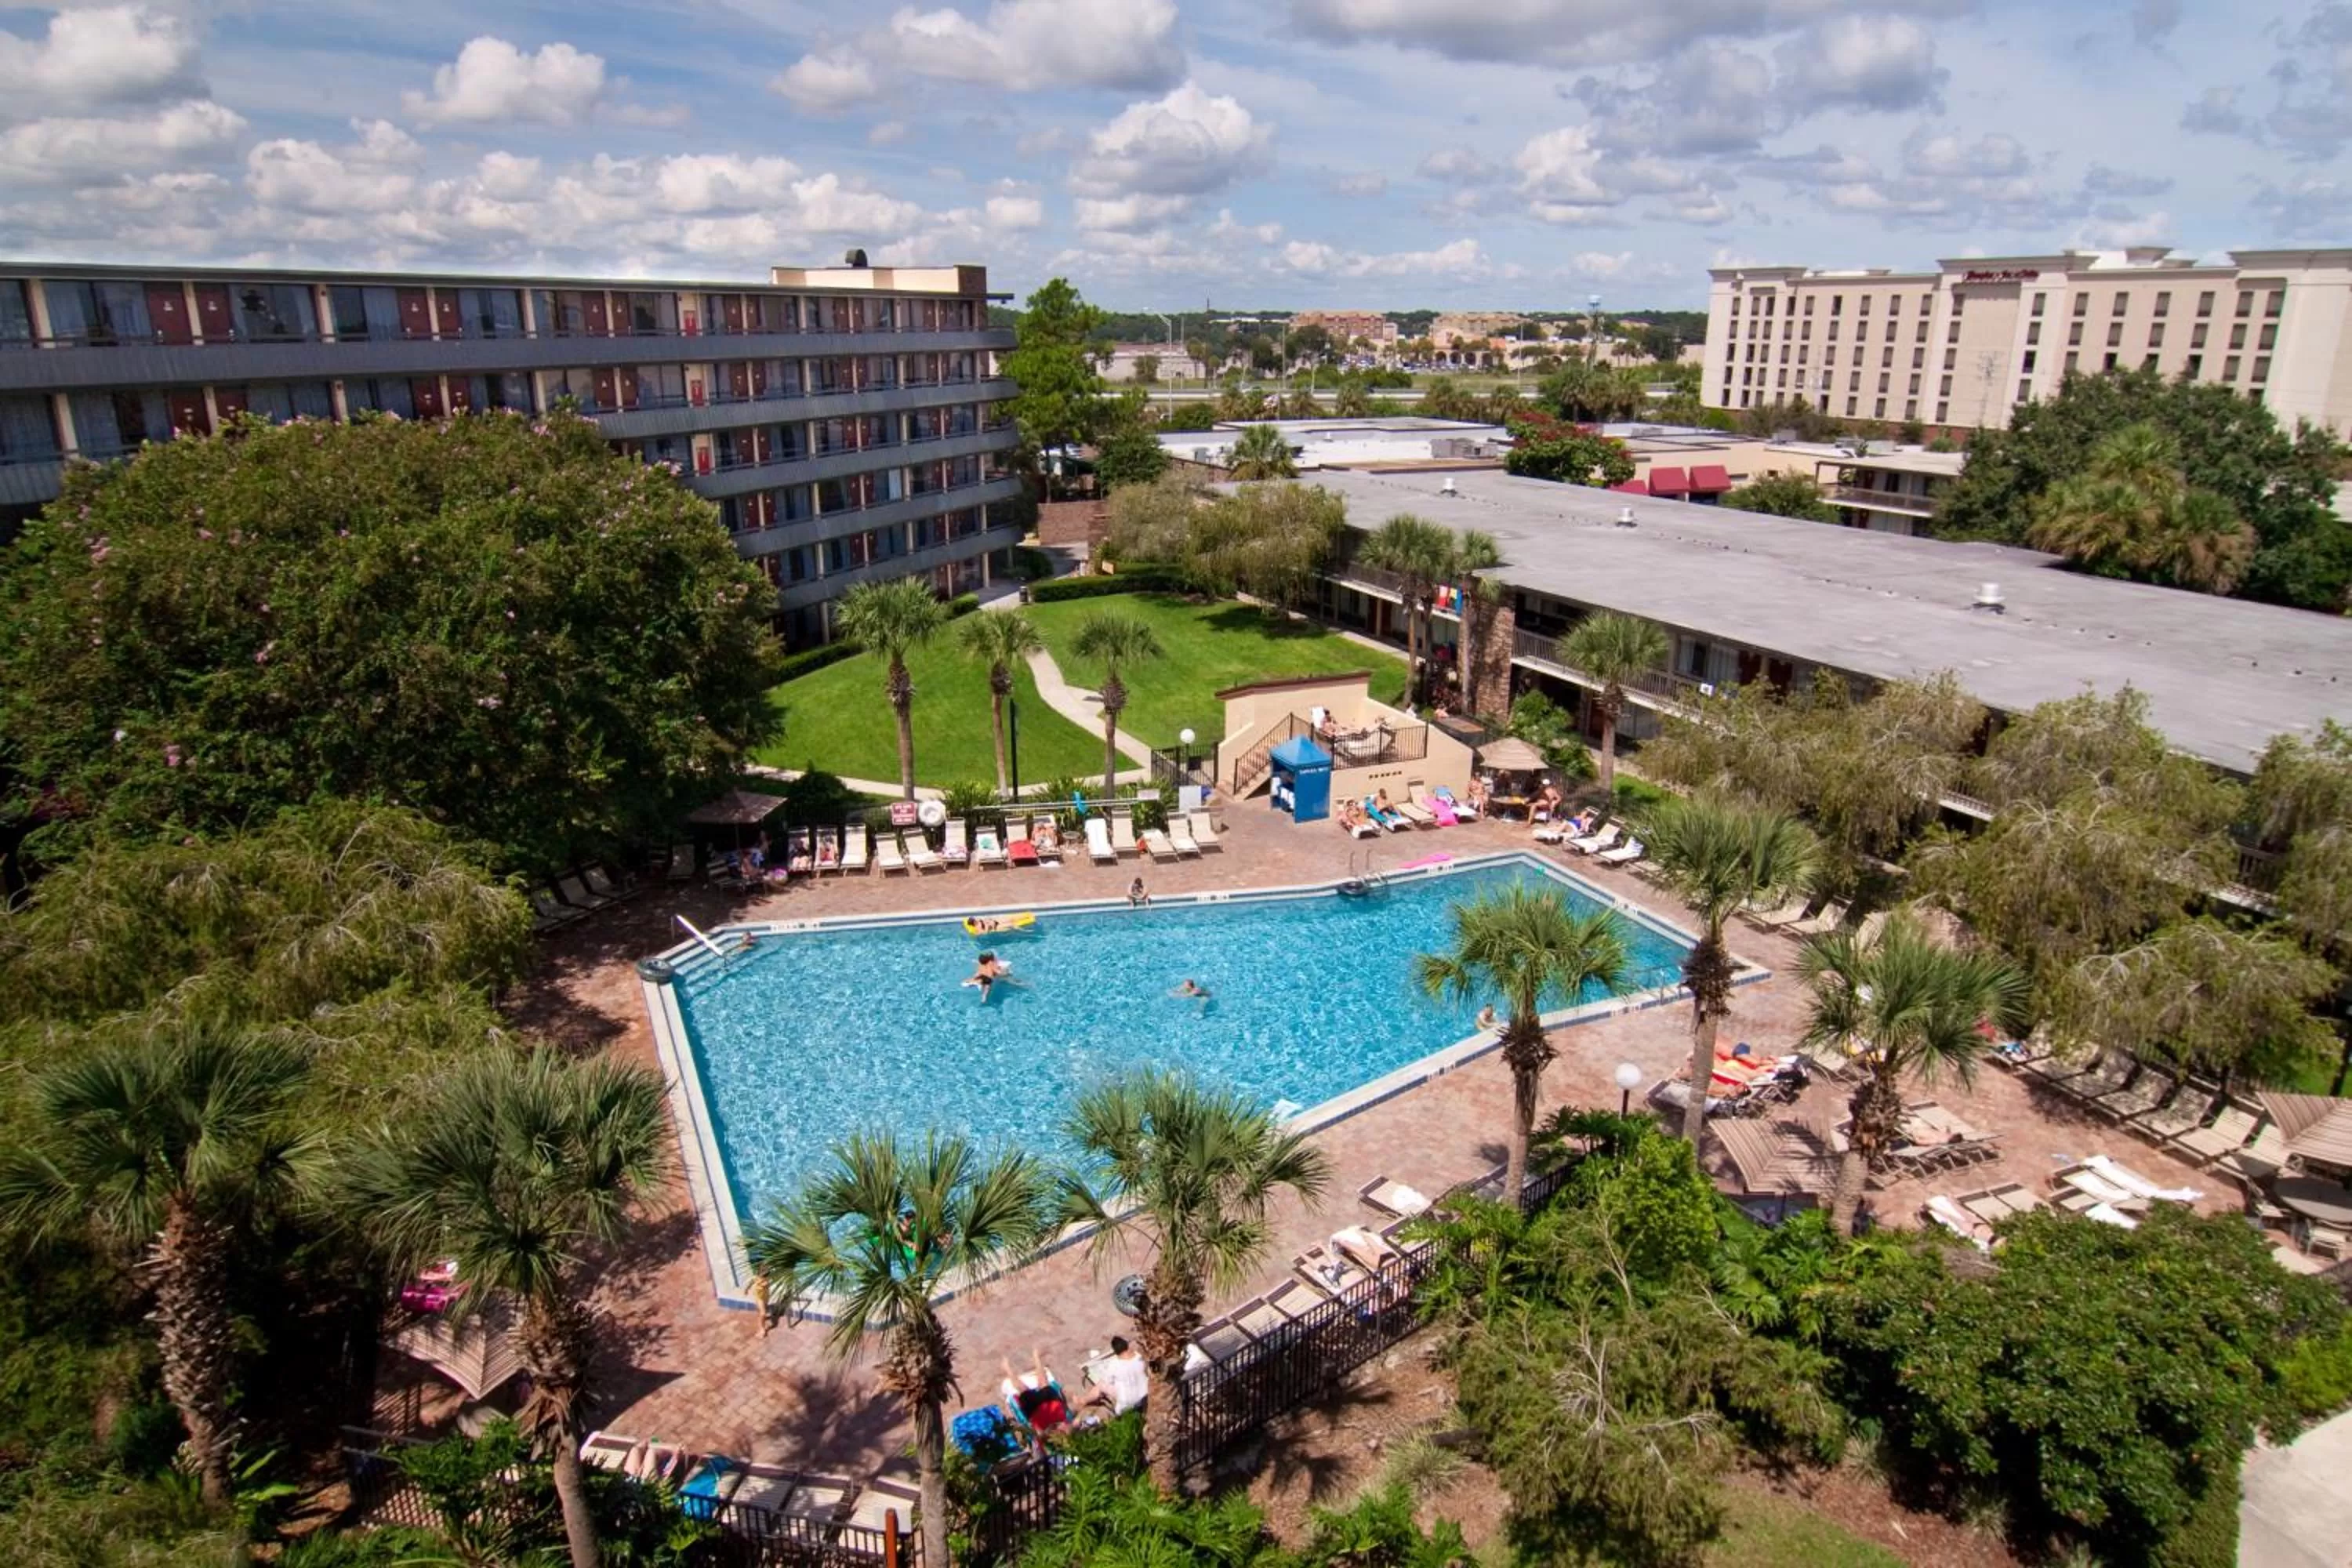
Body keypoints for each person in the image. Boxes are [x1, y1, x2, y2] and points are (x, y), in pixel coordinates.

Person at [1000, 1348, 1069, 1435]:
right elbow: (1072, 1423)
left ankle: (1007, 1369)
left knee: (1023, 1389)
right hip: (1053, 1406)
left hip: (1036, 1413)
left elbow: (1038, 1433)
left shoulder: (1048, 1438)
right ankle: (1036, 1357)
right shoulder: (1070, 1434)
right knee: (1043, 1382)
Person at [1083, 1336, 1150, 1415]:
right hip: (1144, 1396)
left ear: (1115, 1352)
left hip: (1126, 1404)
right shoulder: (1139, 1357)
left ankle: (1084, 1400)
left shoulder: (1114, 1365)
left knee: (1101, 1385)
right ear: (1127, 1346)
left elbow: (1108, 1381)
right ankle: (1086, 1399)